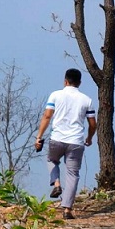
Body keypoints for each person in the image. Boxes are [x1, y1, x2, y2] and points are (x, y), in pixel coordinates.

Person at [34, 68, 96, 219]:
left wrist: (39, 136)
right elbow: (93, 124)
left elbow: (47, 116)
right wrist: (89, 138)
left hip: (57, 139)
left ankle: (56, 184)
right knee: (73, 174)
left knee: (51, 160)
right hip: (76, 142)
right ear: (79, 83)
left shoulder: (55, 95)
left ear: (65, 81)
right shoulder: (87, 100)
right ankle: (67, 209)